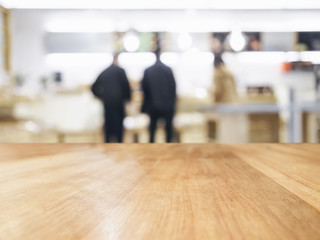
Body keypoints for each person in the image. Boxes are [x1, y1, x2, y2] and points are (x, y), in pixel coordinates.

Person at [91, 53, 131, 142]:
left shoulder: (105, 71)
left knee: (108, 127)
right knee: (119, 129)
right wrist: (127, 100)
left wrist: (102, 96)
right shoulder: (121, 71)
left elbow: (93, 88)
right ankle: (119, 147)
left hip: (107, 104)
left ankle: (108, 148)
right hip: (119, 104)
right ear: (117, 59)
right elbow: (126, 87)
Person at [141, 49, 177, 143]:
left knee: (152, 133)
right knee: (168, 133)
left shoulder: (148, 71)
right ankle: (169, 152)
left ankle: (152, 153)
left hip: (152, 106)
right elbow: (173, 88)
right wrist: (172, 104)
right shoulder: (168, 70)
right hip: (167, 106)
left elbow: (144, 89)